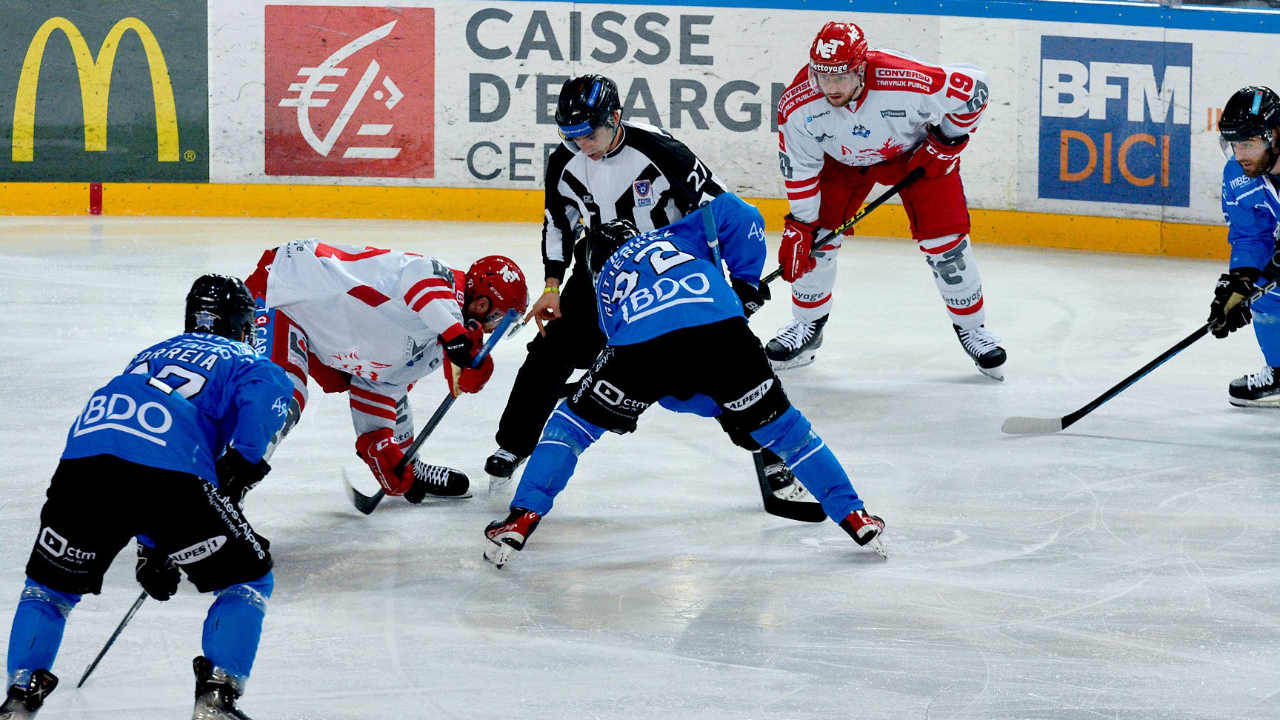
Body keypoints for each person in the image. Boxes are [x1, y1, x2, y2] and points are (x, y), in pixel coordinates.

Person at [482, 193, 886, 569]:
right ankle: (856, 517)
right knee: (790, 433)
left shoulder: (605, 283)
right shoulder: (671, 237)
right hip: (726, 334)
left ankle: (521, 518)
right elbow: (740, 213)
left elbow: (667, 388)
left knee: (569, 427)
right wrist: (744, 285)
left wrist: (623, 407)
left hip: (641, 349)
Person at [484, 74, 804, 503]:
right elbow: (557, 223)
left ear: (615, 117)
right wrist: (552, 284)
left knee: (717, 371)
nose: (581, 144)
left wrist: (739, 285)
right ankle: (514, 444)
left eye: (590, 133)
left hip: (670, 283)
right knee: (549, 352)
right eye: (570, 135)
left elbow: (724, 215)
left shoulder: (660, 151)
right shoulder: (564, 162)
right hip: (602, 280)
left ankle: (772, 450)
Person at [1, 275, 292, 720]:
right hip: (168, 474)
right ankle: (217, 699)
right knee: (248, 579)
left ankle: (19, 700)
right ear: (240, 323)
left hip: (82, 463)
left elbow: (131, 460)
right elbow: (268, 393)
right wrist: (245, 464)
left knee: (48, 590)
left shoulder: (150, 353)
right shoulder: (243, 357)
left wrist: (151, 551)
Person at [768, 21, 1007, 379]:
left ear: (861, 67)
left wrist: (947, 142)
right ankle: (806, 326)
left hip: (913, 158)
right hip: (841, 163)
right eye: (822, 75)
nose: (830, 88)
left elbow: (976, 86)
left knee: (947, 246)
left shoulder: (904, 79)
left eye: (841, 77)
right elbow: (800, 166)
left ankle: (973, 328)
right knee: (814, 243)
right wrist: (801, 225)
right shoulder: (798, 103)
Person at [246, 240, 528, 502]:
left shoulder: (433, 349)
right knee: (282, 395)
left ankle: (410, 462)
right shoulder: (441, 279)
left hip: (320, 336)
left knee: (388, 397)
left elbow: (378, 386)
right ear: (482, 305)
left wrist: (378, 446)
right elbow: (420, 280)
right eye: (499, 320)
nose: (494, 331)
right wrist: (457, 339)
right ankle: (225, 491)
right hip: (284, 288)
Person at [1207, 85, 1280, 406]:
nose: (1240, 155)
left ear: (1275, 135)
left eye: (1248, 143)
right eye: (1234, 144)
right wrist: (1242, 280)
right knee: (1263, 288)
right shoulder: (1238, 175)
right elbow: (1251, 236)